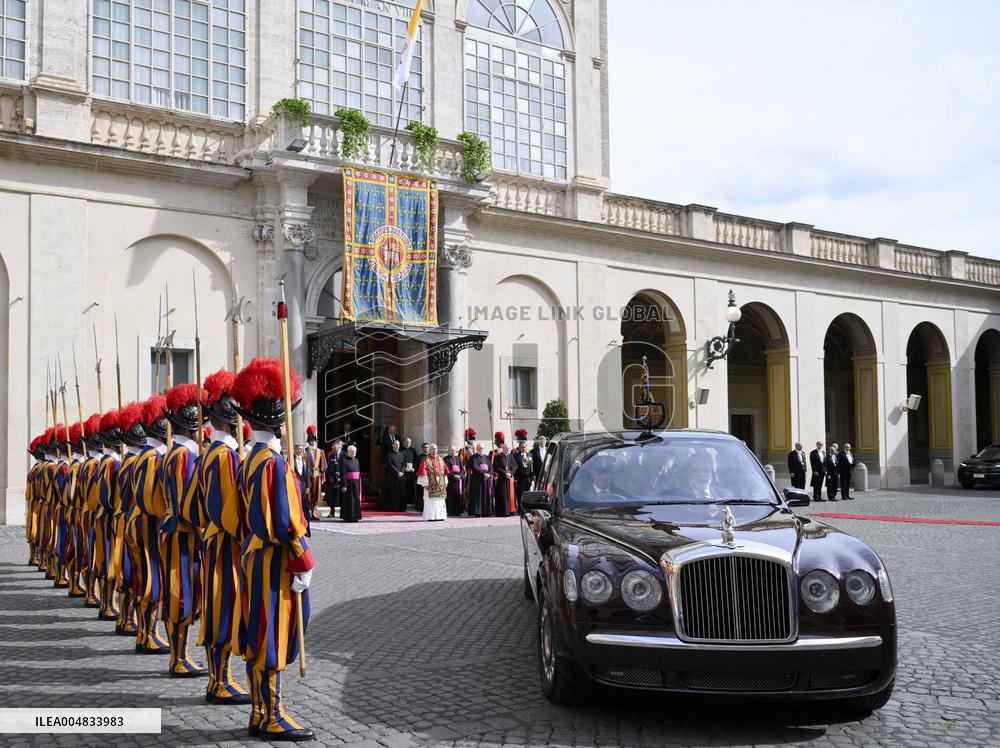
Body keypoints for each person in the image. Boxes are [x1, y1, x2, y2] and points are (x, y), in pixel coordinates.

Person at [232, 357, 314, 741]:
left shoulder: (248, 460)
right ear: (280, 421)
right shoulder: (274, 465)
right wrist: (303, 559)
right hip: (275, 557)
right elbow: (285, 521)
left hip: (253, 554)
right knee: (273, 634)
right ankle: (271, 714)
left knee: (258, 631)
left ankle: (259, 709)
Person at [195, 368, 252, 704]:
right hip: (225, 544)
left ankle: (219, 678)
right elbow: (227, 509)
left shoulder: (212, 454)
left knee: (220, 610)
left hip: (214, 539)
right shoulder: (224, 457)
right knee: (223, 610)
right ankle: (219, 682)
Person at [159, 383, 207, 677]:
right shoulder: (185, 457)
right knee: (181, 594)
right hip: (183, 533)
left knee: (178, 593)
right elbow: (187, 503)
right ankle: (178, 658)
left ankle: (179, 654)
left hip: (174, 530)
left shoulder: (172, 453)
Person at [129, 396, 171, 654]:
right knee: (150, 581)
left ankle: (146, 632)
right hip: (149, 525)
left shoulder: (142, 457)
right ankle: (147, 634)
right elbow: (151, 501)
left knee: (144, 579)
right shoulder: (152, 459)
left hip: (140, 523)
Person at [417, 444, 448, 521]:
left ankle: (440, 516)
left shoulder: (441, 459)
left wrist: (446, 481)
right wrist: (425, 483)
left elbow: (444, 471)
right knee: (430, 501)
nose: (435, 450)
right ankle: (430, 517)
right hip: (430, 481)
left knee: (440, 500)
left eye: (436, 449)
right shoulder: (425, 459)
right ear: (430, 450)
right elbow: (422, 472)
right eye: (433, 449)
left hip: (440, 481)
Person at [303, 426, 327, 520]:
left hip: (317, 475)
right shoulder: (305, 451)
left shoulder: (321, 452)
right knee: (308, 494)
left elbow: (324, 464)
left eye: (314, 441)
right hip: (308, 475)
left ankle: (314, 512)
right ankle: (308, 512)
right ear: (309, 441)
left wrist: (321, 470)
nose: (313, 442)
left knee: (316, 494)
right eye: (311, 441)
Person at [467, 443, 493, 517]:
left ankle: (486, 512)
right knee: (478, 496)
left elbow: (491, 467)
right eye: (479, 448)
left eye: (482, 448)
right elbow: (475, 468)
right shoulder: (473, 457)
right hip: (477, 479)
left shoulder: (487, 457)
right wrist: (484, 474)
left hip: (486, 479)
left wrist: (488, 474)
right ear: (477, 448)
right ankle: (478, 512)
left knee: (485, 495)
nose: (481, 449)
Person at [492, 443, 517, 517]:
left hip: (510, 479)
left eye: (509, 448)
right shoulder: (497, 457)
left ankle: (511, 511)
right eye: (506, 448)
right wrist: (505, 473)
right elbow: (496, 468)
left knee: (511, 495)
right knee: (503, 495)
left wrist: (511, 473)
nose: (508, 449)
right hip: (501, 479)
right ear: (503, 448)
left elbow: (515, 467)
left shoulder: (511, 456)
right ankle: (504, 512)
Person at [339, 444, 363, 523]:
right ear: (348, 452)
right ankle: (349, 517)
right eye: (352, 451)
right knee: (349, 500)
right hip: (348, 484)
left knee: (356, 499)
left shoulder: (357, 460)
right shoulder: (344, 461)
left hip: (356, 483)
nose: (354, 453)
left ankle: (356, 516)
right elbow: (343, 474)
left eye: (355, 451)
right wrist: (344, 485)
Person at [384, 440, 408, 511]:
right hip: (393, 477)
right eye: (395, 444)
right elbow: (390, 465)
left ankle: (401, 507)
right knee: (393, 493)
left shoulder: (402, 454)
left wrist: (402, 472)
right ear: (393, 445)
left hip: (401, 477)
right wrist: (397, 472)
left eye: (398, 444)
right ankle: (393, 507)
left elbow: (404, 464)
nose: (397, 446)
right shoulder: (389, 454)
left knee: (401, 492)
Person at [325, 439, 344, 516]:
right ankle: (332, 512)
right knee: (332, 496)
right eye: (332, 448)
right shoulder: (331, 456)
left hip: (341, 479)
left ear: (339, 448)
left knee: (342, 497)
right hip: (333, 480)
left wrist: (341, 476)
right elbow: (328, 468)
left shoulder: (344, 455)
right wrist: (330, 478)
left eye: (334, 449)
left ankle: (342, 512)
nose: (333, 450)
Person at [513, 430, 533, 504]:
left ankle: (527, 508)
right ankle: (520, 509)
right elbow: (515, 468)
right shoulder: (515, 456)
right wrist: (516, 479)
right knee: (520, 494)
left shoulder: (530, 455)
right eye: (522, 447)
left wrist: (531, 478)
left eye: (525, 447)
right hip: (520, 478)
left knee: (527, 494)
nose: (524, 448)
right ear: (519, 447)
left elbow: (531, 466)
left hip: (528, 477)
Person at [443, 445, 464, 516]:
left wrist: (460, 476)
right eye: (451, 450)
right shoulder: (445, 459)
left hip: (458, 480)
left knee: (457, 495)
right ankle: (450, 511)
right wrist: (454, 476)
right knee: (451, 495)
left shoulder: (458, 458)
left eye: (454, 450)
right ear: (448, 451)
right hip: (450, 480)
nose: (453, 452)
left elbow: (461, 469)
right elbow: (447, 470)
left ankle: (457, 511)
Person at [459, 428, 477, 509]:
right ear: (467, 439)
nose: (472, 440)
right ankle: (466, 505)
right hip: (468, 472)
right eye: (471, 438)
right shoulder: (463, 450)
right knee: (467, 488)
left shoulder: (475, 449)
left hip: (476, 472)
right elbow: (461, 462)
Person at [292, 445, 309, 515]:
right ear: (295, 449)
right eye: (299, 449)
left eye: (301, 449)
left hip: (303, 484)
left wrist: (307, 486)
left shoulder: (304, 460)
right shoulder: (291, 460)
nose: (300, 450)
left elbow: (307, 474)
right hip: (295, 483)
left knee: (303, 501)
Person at [401, 437, 418, 508]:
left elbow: (416, 460)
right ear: (403, 442)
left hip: (411, 472)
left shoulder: (413, 450)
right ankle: (404, 502)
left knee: (411, 486)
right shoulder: (401, 450)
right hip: (403, 472)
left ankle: (412, 501)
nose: (408, 443)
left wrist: (413, 468)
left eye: (409, 442)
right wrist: (403, 469)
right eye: (406, 442)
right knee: (404, 487)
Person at [413, 442, 429, 512]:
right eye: (424, 447)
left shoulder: (431, 457)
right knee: (420, 493)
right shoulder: (419, 457)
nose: (426, 448)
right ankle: (420, 507)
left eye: (427, 447)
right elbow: (416, 468)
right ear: (422, 448)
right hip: (421, 478)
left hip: (429, 478)